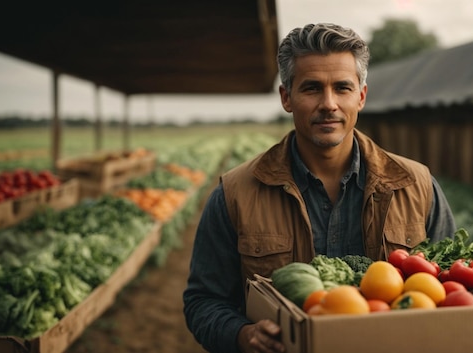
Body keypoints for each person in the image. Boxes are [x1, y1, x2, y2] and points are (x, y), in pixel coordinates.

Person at [183, 23, 457, 353]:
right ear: (287, 97)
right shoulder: (235, 194)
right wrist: (242, 334)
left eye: (342, 88)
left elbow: (450, 290)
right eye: (312, 88)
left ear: (361, 96)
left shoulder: (418, 187)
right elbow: (203, 301)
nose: (328, 103)